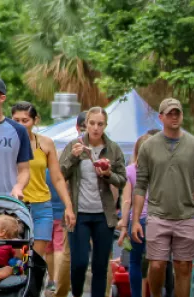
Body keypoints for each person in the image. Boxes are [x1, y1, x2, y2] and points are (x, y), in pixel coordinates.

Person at [132, 98, 194, 297]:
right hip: (158, 215)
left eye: (177, 112)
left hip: (186, 215)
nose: (174, 116)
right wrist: (135, 220)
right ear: (161, 117)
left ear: (182, 115)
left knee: (184, 266)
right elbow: (141, 185)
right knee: (157, 264)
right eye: (170, 113)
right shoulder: (148, 147)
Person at [60, 107, 127, 297]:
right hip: (78, 213)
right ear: (86, 124)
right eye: (92, 123)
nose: (96, 128)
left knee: (100, 265)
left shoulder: (113, 148)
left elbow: (122, 179)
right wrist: (73, 157)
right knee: (79, 263)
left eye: (100, 124)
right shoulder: (75, 145)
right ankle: (78, 294)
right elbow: (60, 174)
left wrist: (108, 174)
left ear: (105, 125)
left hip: (103, 215)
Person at [10, 102, 75, 259]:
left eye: (25, 120)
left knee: (36, 259)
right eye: (16, 120)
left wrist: (69, 206)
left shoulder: (46, 143)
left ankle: (35, 282)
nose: (20, 125)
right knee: (18, 257)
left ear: (35, 120)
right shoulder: (7, 142)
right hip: (14, 206)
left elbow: (57, 177)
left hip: (41, 206)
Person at [117, 130, 160, 297]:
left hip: (138, 221)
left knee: (135, 262)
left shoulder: (129, 171)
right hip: (158, 221)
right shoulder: (161, 170)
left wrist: (123, 226)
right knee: (157, 262)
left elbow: (127, 201)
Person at [52, 111, 85, 297]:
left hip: (98, 210)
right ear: (78, 128)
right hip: (73, 208)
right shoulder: (71, 148)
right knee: (67, 252)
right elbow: (61, 176)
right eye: (86, 126)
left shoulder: (108, 148)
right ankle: (61, 292)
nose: (91, 130)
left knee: (67, 252)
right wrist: (68, 206)